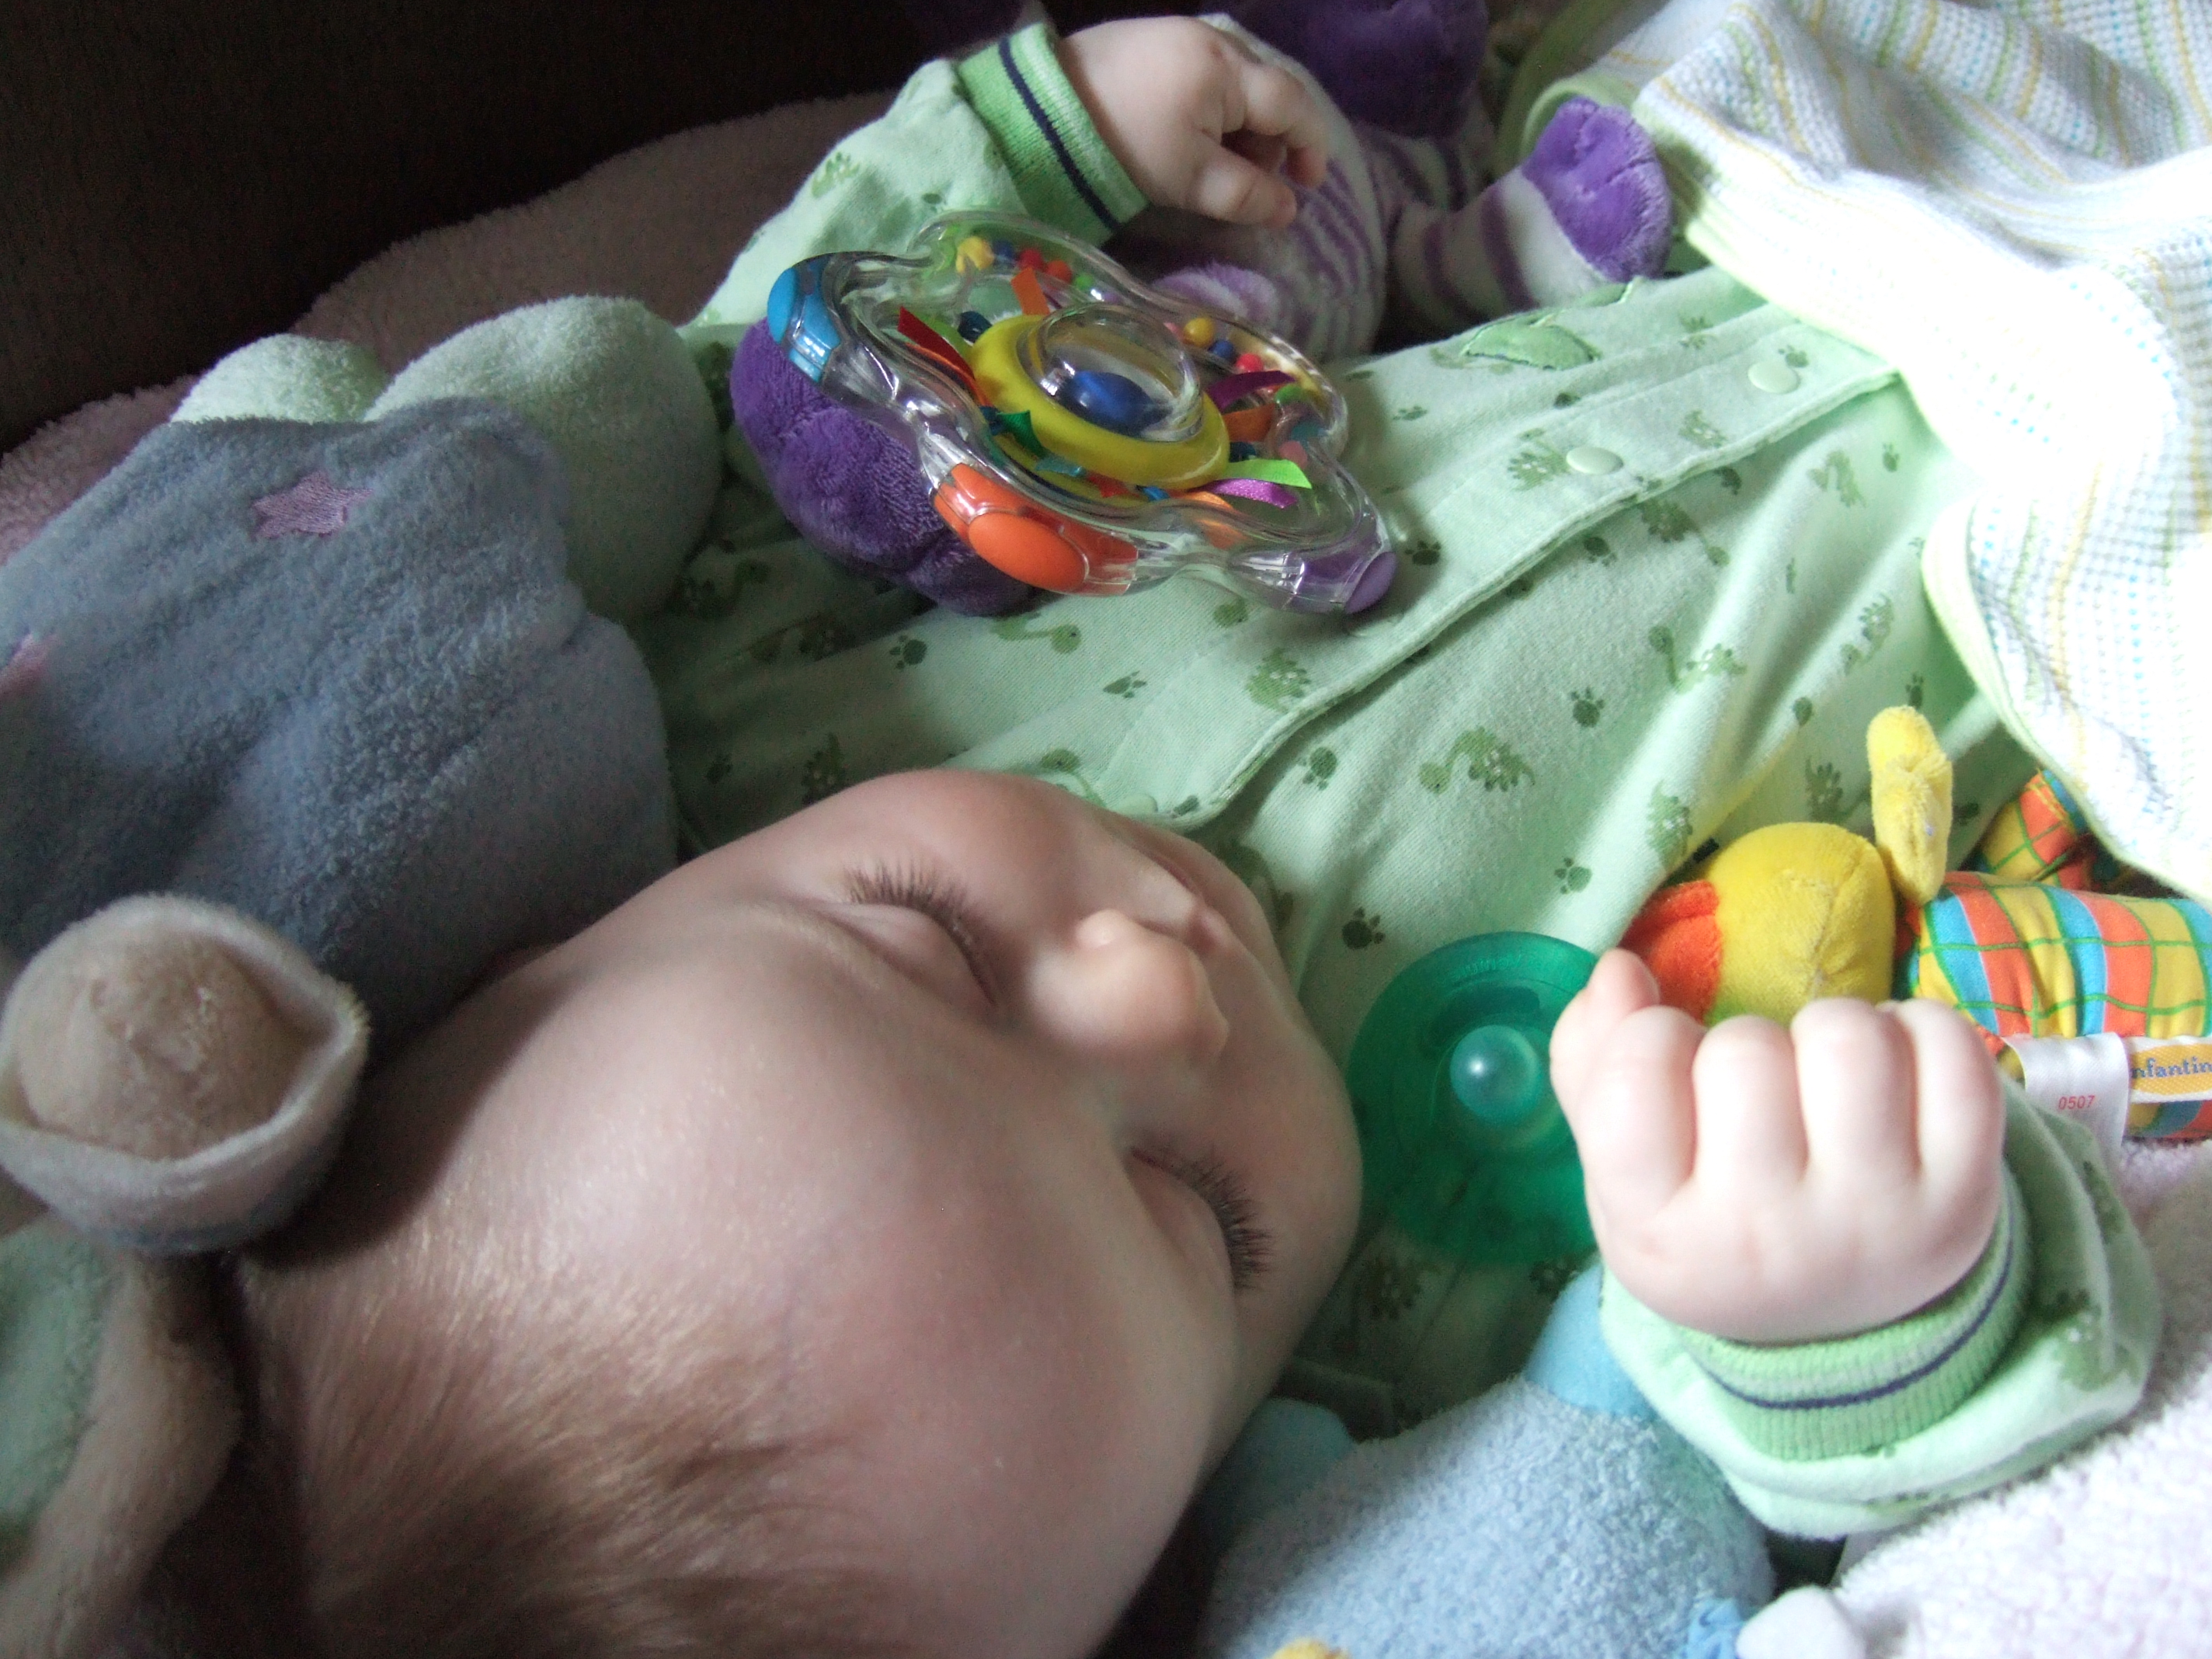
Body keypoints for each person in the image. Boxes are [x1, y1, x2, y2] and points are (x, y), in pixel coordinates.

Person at [171, 10, 2153, 1658]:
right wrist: (1836, 1317)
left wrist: (1050, 131)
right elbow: (1750, 1440)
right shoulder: (1398, 1349)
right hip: (2082, 539)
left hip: (1725, 178)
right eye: (1194, 1215)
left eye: (930, 945)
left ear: (590, 923)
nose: (1153, 990)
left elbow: (823, 345)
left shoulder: (746, 675)